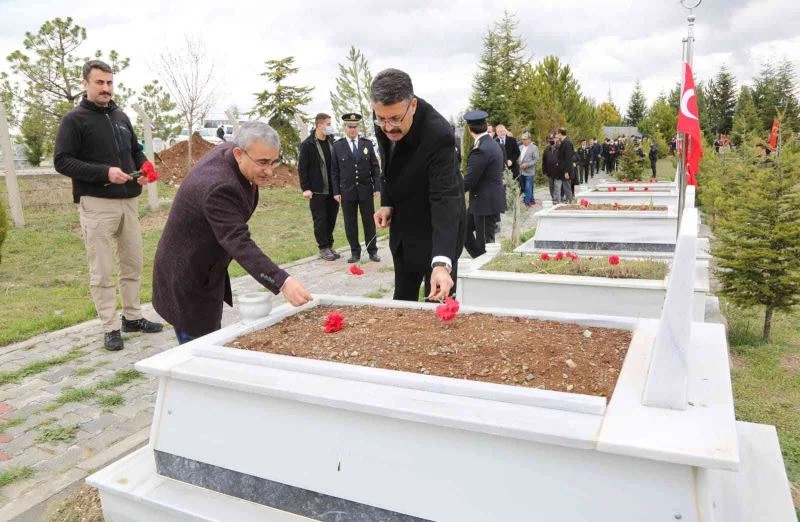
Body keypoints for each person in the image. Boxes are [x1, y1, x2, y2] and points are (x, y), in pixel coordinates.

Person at [152, 122, 313, 344]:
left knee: (211, 336)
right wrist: (283, 282)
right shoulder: (220, 187)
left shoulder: (233, 155)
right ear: (239, 154)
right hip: (187, 274)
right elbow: (239, 243)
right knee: (200, 348)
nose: (270, 171)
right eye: (263, 163)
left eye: (274, 161)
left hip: (207, 268)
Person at [54, 60, 163, 352]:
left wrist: (144, 166)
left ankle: (132, 317)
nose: (106, 88)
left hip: (129, 201)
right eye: (100, 83)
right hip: (97, 203)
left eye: (109, 83)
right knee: (102, 269)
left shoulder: (121, 116)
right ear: (85, 84)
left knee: (133, 263)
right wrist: (105, 173)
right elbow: (62, 161)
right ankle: (110, 326)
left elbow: (134, 151)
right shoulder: (74, 120)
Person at [371, 68, 465, 301]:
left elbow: (445, 199)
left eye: (394, 119)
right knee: (402, 301)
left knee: (438, 304)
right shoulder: (385, 116)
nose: (388, 127)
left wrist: (442, 263)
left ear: (412, 105)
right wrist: (387, 202)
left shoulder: (439, 135)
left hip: (437, 229)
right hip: (405, 229)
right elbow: (390, 165)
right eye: (381, 119)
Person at [330, 113, 381, 263]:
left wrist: (377, 187)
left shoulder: (367, 144)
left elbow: (375, 168)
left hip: (365, 190)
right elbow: (334, 171)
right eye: (349, 127)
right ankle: (355, 252)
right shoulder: (338, 146)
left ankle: (372, 251)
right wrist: (336, 191)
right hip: (347, 191)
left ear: (358, 127)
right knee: (350, 223)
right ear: (344, 128)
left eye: (355, 127)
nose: (353, 130)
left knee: (369, 222)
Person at [462, 110, 505, 258]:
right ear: (486, 125)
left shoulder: (482, 149)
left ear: (469, 129)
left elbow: (469, 180)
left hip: (485, 204)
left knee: (486, 245)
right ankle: (479, 259)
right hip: (482, 202)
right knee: (463, 230)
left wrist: (448, 190)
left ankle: (483, 265)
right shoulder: (490, 144)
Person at [298, 113, 340, 261]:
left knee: (331, 219)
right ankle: (323, 248)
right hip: (317, 189)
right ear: (319, 125)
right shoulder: (308, 144)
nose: (330, 127)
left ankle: (329, 245)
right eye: (328, 124)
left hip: (333, 189)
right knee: (320, 220)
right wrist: (306, 188)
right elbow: (302, 168)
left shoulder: (332, 141)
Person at [495, 124, 521, 194]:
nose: (502, 133)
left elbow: (517, 152)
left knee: (515, 187)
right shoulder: (494, 142)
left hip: (513, 168)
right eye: (500, 132)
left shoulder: (512, 140)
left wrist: (512, 160)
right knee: (503, 189)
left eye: (503, 131)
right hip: (500, 169)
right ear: (496, 132)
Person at [518, 131, 539, 206]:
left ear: (529, 139)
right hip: (521, 171)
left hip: (529, 171)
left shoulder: (534, 147)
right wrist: (518, 162)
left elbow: (536, 159)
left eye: (525, 139)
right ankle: (531, 200)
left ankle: (526, 203)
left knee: (528, 187)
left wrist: (527, 164)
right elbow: (518, 157)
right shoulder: (520, 147)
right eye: (522, 139)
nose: (523, 141)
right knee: (524, 187)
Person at [554, 127, 574, 203]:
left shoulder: (567, 143)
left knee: (567, 188)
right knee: (566, 187)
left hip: (566, 170)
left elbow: (568, 159)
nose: (556, 136)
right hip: (563, 170)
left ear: (560, 134)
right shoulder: (563, 142)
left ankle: (571, 203)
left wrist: (566, 172)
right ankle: (569, 202)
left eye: (557, 134)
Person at [542, 134, 559, 203]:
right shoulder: (547, 149)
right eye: (550, 139)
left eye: (553, 139)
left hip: (557, 171)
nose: (552, 140)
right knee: (551, 186)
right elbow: (544, 160)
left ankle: (556, 198)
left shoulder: (559, 148)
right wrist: (544, 170)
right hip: (549, 171)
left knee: (557, 186)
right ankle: (553, 198)